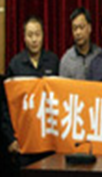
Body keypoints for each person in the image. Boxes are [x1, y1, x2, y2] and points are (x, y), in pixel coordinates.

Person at [2, 16, 59, 157]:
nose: (34, 39)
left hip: (48, 141)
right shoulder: (15, 64)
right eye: (30, 35)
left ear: (43, 35)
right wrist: (10, 139)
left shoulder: (53, 61)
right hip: (24, 141)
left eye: (37, 34)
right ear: (24, 37)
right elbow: (5, 105)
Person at [59, 7, 101, 80]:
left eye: (81, 27)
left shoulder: (99, 55)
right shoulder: (67, 60)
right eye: (75, 28)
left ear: (89, 28)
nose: (78, 32)